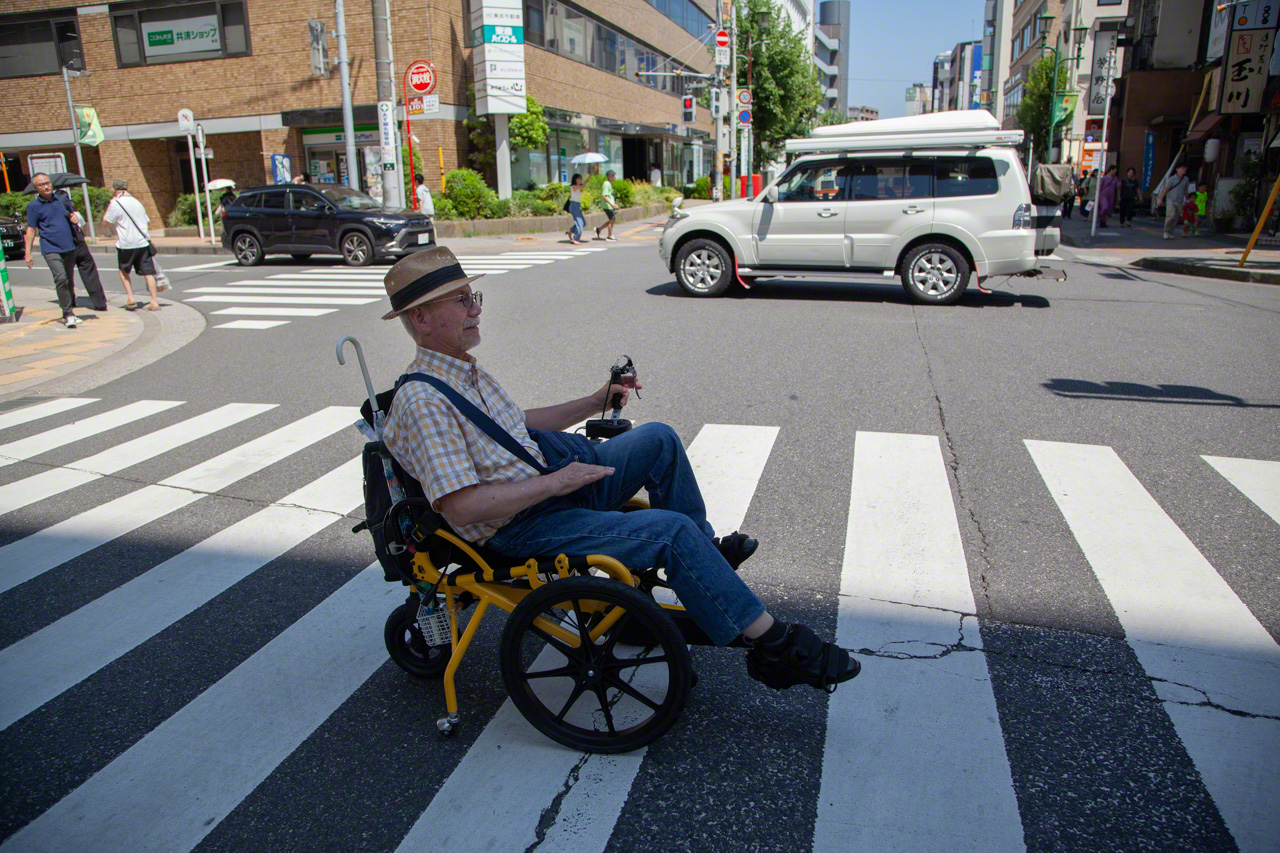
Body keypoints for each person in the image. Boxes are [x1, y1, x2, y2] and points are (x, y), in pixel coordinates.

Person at [378, 247, 861, 692]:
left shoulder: (462, 369)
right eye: (462, 300)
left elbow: (516, 425)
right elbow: (461, 507)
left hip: (550, 485)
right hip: (521, 525)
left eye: (473, 297)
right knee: (670, 532)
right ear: (421, 317)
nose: (476, 309)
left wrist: (594, 401)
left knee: (659, 439)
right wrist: (556, 482)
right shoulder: (422, 402)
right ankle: (775, 649)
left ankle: (702, 562)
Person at [24, 173, 108, 327]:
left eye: (47, 183)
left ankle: (68, 313)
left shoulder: (61, 199)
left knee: (69, 281)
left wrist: (74, 218)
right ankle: (68, 314)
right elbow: (31, 229)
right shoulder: (34, 206)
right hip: (50, 248)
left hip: (69, 246)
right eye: (41, 184)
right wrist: (27, 252)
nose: (46, 186)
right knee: (61, 278)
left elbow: (72, 215)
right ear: (36, 188)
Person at [102, 179, 162, 312]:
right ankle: (154, 301)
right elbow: (146, 220)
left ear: (114, 189)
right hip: (142, 242)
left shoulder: (116, 203)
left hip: (126, 243)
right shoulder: (137, 202)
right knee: (148, 273)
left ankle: (131, 298)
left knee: (124, 270)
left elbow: (106, 221)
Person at [1158, 164, 1190, 240]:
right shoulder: (1171, 179)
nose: (1184, 169)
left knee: (1176, 217)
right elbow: (1166, 189)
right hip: (1171, 200)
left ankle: (1170, 232)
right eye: (1182, 168)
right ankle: (1166, 231)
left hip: (1180, 200)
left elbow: (1185, 189)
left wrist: (1187, 199)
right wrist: (1161, 199)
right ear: (1177, 169)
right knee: (1171, 215)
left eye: (1185, 168)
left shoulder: (1186, 179)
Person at [595, 169, 618, 241]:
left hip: (609, 205)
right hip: (607, 205)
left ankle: (599, 229)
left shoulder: (609, 184)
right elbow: (604, 196)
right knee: (612, 219)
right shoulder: (606, 184)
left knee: (612, 220)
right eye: (613, 175)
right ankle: (609, 236)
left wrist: (613, 204)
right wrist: (612, 205)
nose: (614, 177)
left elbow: (609, 196)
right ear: (610, 176)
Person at [566, 173, 587, 245]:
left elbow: (582, 186)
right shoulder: (574, 187)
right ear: (575, 179)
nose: (580, 180)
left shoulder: (577, 187)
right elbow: (583, 186)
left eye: (581, 178)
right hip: (574, 206)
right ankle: (575, 239)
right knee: (580, 224)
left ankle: (571, 231)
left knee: (583, 223)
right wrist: (589, 178)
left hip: (576, 206)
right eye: (579, 178)